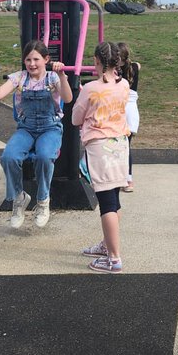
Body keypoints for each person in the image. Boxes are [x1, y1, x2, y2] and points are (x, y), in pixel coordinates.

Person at [0, 42, 73, 230]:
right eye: (28, 59)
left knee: (45, 156)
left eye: (36, 59)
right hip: (27, 128)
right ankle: (19, 198)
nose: (32, 64)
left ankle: (43, 201)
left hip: (50, 128)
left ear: (46, 60)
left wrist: (63, 76)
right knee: (9, 157)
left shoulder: (53, 77)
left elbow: (67, 98)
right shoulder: (19, 78)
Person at [72, 41, 130, 272]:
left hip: (99, 146)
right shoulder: (124, 84)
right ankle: (108, 245)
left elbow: (76, 117)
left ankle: (114, 257)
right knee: (114, 199)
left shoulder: (91, 88)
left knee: (105, 202)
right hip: (120, 145)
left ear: (96, 61)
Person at [116, 42, 140, 192]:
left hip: (122, 107)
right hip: (131, 109)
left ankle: (124, 178)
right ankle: (127, 179)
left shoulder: (116, 72)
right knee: (126, 145)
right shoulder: (134, 68)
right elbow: (138, 64)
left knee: (121, 145)